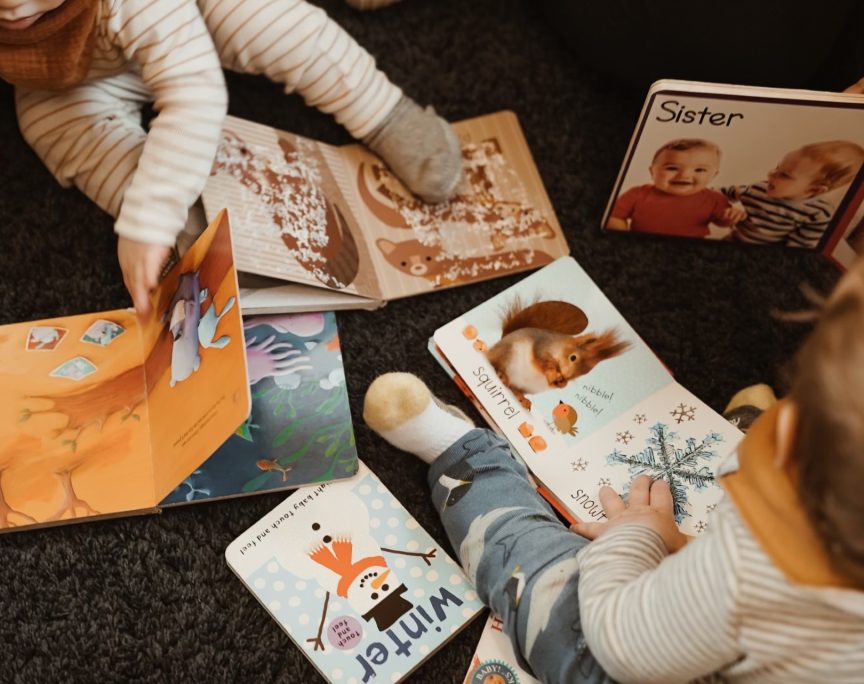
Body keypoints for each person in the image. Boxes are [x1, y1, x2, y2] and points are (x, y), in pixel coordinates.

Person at [361, 258, 864, 682]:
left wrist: (635, 535)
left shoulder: (750, 580)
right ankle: (743, 428)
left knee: (541, 591)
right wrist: (689, 546)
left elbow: (618, 639)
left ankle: (466, 458)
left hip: (637, 645)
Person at [0, 0, 462, 316]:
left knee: (270, 23)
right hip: (72, 76)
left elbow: (194, 91)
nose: (13, 6)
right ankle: (188, 222)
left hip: (192, 17)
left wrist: (145, 222)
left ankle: (383, 109)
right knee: (50, 123)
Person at [723, 141, 864, 249]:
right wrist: (724, 211)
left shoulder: (819, 213)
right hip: (731, 242)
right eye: (778, 167)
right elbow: (719, 193)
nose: (771, 173)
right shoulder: (759, 188)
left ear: (813, 190)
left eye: (784, 175)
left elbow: (798, 248)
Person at [606, 138, 742, 238]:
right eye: (672, 168)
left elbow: (721, 221)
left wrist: (730, 217)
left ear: (713, 175)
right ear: (653, 171)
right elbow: (615, 216)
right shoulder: (637, 194)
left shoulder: (714, 199)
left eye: (699, 170)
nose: (684, 175)